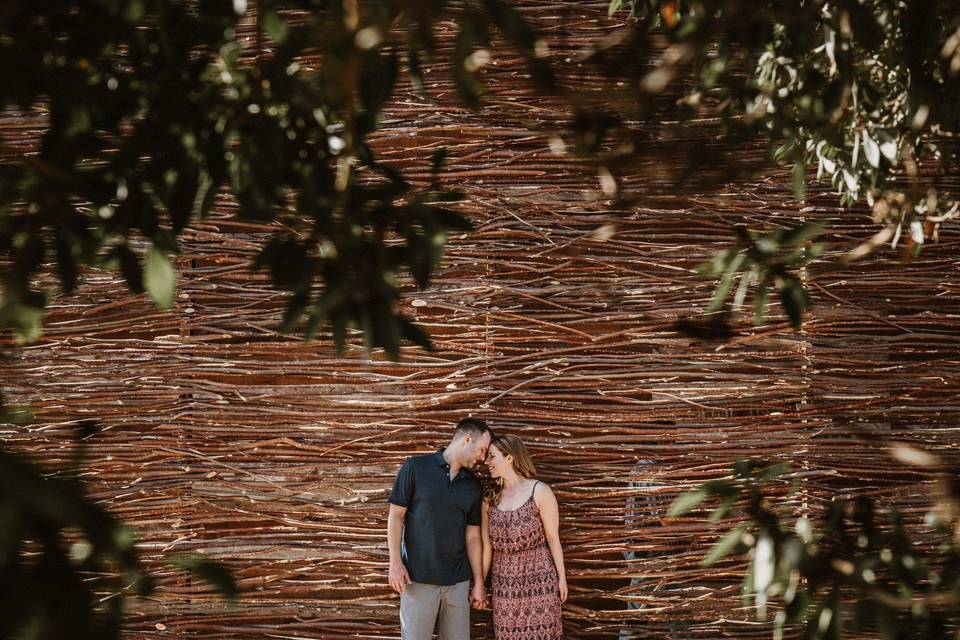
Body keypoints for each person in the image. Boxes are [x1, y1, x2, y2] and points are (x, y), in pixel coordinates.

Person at [388, 417, 493, 639]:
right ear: (467, 439)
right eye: (482, 450)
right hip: (417, 579)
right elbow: (396, 516)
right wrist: (395, 563)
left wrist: (478, 583)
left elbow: (473, 538)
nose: (483, 458)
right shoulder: (415, 468)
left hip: (457, 583)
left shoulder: (472, 485)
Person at [481, 433, 566, 640]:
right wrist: (480, 584)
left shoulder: (540, 491)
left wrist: (561, 578)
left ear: (509, 457)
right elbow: (486, 547)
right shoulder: (489, 500)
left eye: (492, 456)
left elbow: (553, 538)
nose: (486, 462)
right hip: (504, 584)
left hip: (540, 579)